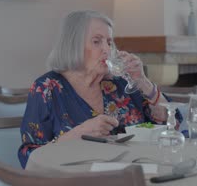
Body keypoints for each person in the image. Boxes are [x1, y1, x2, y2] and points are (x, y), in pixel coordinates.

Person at [18, 10, 181, 168]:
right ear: (73, 45)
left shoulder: (121, 84)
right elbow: (29, 157)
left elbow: (173, 124)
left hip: (132, 174)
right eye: (97, 41)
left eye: (109, 42)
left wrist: (143, 81)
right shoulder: (47, 88)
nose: (107, 49)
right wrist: (78, 134)